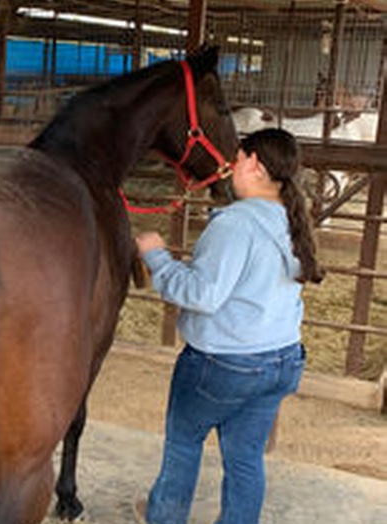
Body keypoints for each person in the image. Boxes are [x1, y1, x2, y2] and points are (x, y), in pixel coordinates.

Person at [134, 128, 324, 524]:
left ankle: (164, 518)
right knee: (245, 460)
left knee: (184, 445)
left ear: (254, 164)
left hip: (224, 365)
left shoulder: (235, 223)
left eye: (237, 159)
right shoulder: (291, 220)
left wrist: (157, 257)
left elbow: (202, 294)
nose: (231, 168)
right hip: (281, 361)